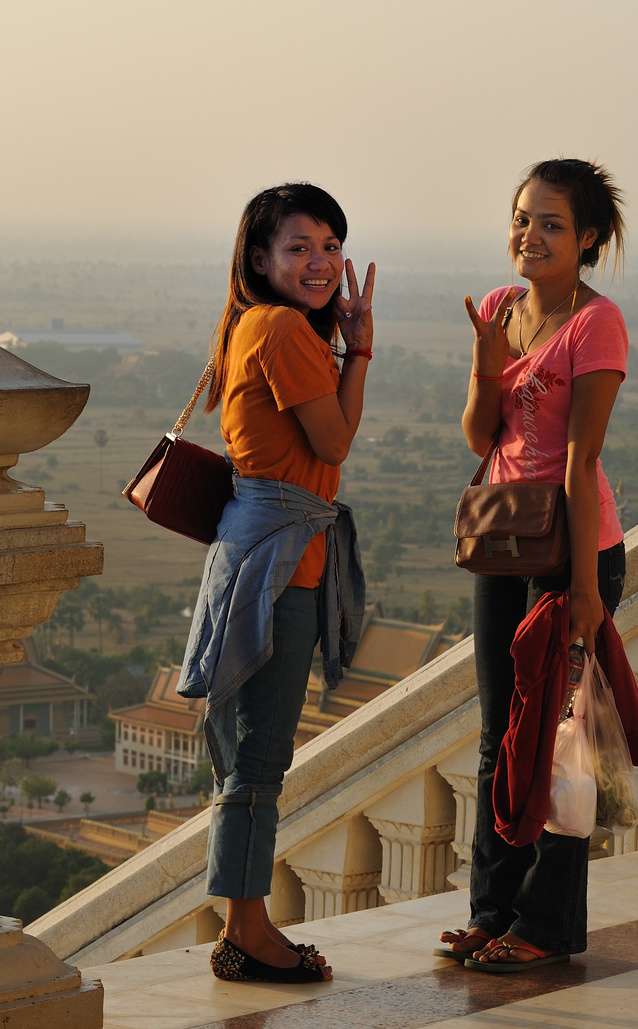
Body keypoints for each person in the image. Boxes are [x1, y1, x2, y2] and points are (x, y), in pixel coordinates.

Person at [179, 183, 375, 983]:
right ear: (260, 259)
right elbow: (334, 442)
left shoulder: (251, 325)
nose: (321, 261)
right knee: (260, 760)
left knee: (249, 756)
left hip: (256, 549)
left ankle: (244, 923)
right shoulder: (287, 331)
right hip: (277, 565)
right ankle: (248, 933)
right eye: (299, 247)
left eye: (331, 245)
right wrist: (358, 350)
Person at [438, 158, 628, 971]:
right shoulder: (497, 308)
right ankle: (492, 911)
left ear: (586, 239)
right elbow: (482, 438)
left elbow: (582, 460)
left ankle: (547, 927)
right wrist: (488, 357)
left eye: (552, 223)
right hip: (504, 542)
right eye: (522, 218)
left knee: (558, 742)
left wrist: (585, 588)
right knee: (497, 737)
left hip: (573, 549)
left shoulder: (597, 323)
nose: (531, 235)